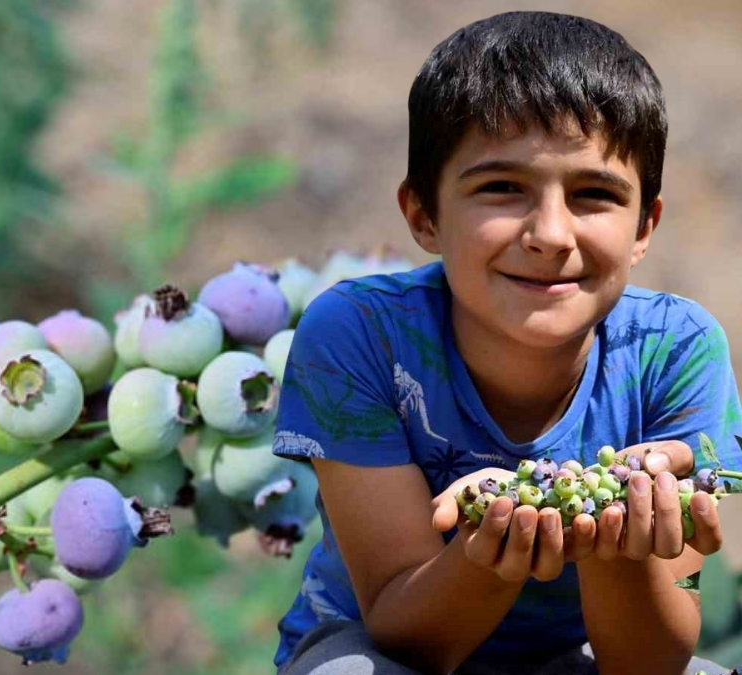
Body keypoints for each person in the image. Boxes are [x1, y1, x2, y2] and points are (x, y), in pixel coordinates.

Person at [271, 11, 742, 675]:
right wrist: (491, 541)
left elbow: (651, 660)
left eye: (594, 194)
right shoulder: (358, 335)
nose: (551, 233)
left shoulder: (679, 351)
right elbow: (404, 631)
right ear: (423, 213)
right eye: (501, 188)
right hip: (379, 645)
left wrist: (616, 539)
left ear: (645, 226)